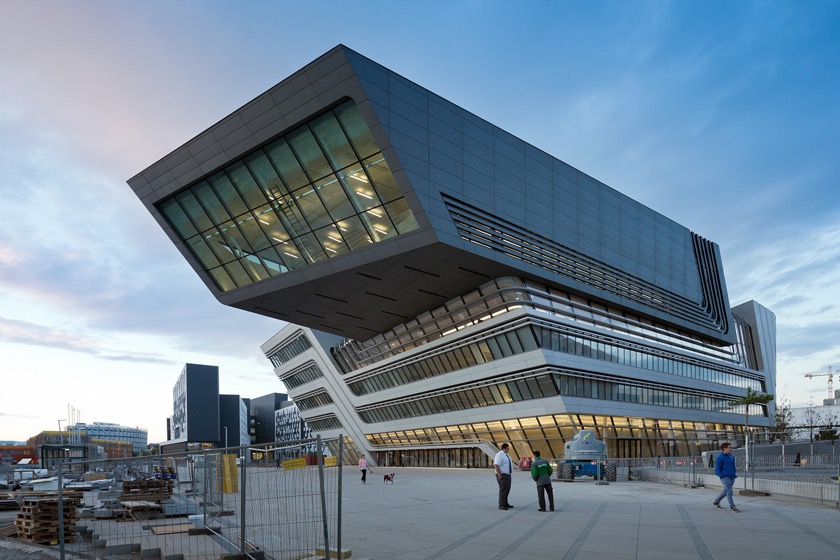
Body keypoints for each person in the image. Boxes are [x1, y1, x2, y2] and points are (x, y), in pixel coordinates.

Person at [712, 442, 740, 512]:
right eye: (729, 447)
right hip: (725, 477)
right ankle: (732, 506)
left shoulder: (731, 457)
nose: (731, 449)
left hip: (732, 477)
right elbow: (717, 469)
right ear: (724, 449)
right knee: (729, 491)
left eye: (731, 447)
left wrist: (734, 474)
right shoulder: (720, 458)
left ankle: (716, 502)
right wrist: (722, 476)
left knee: (726, 491)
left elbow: (733, 467)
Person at [494, 443, 514, 510]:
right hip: (503, 475)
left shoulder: (506, 455)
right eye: (507, 448)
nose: (508, 450)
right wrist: (499, 474)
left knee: (507, 489)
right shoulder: (499, 455)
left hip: (508, 475)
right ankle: (501, 504)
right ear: (504, 448)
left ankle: (505, 503)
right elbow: (496, 465)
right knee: (503, 490)